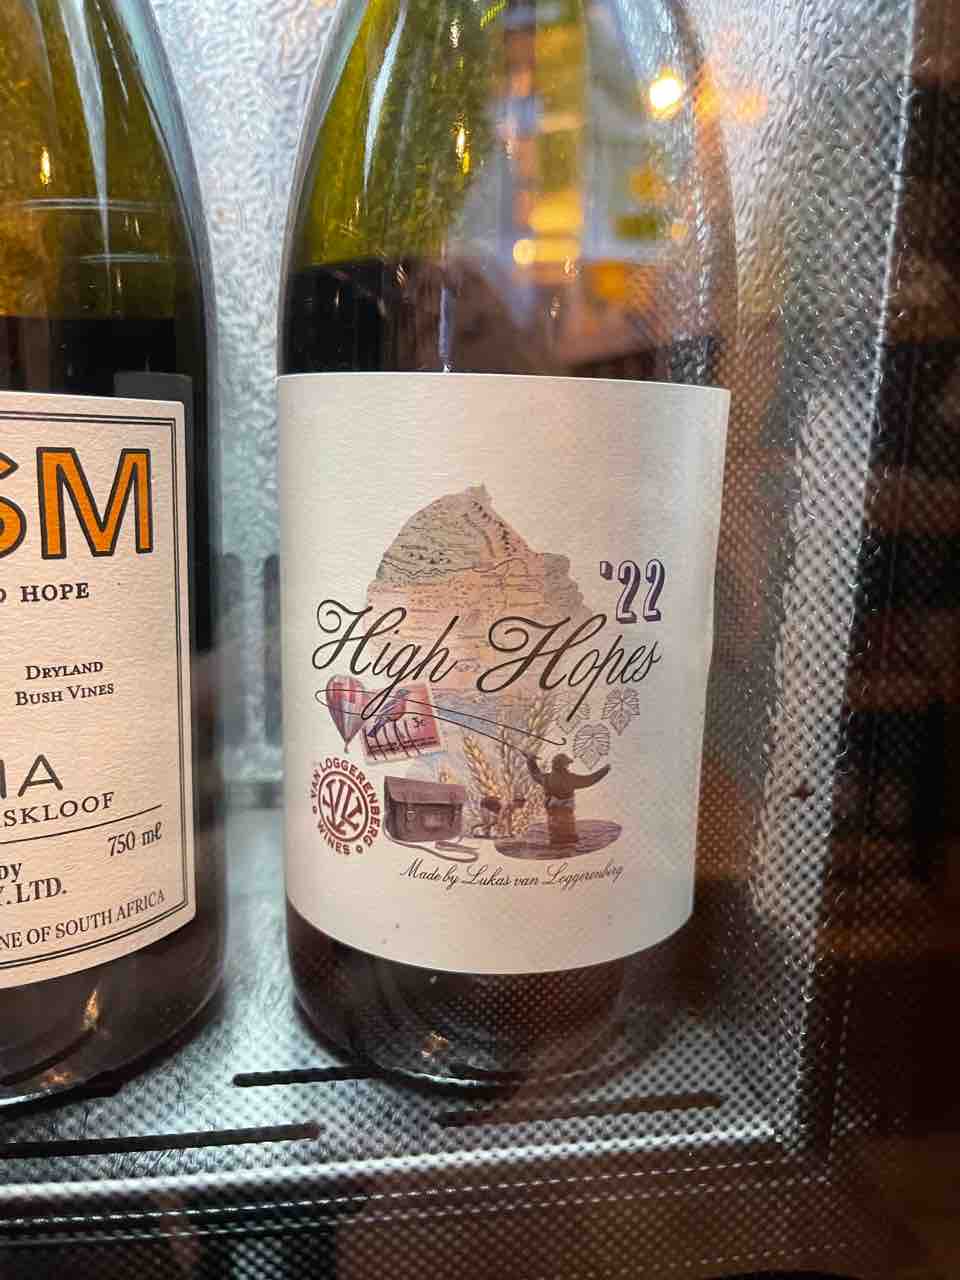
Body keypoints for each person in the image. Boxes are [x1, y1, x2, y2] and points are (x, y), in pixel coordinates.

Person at [525, 752, 611, 848]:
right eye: (567, 764)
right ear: (563, 766)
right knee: (569, 840)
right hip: (566, 815)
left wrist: (530, 760)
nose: (568, 766)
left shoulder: (545, 778)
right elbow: (590, 780)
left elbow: (535, 773)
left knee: (555, 839)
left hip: (552, 815)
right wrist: (605, 769)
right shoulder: (570, 779)